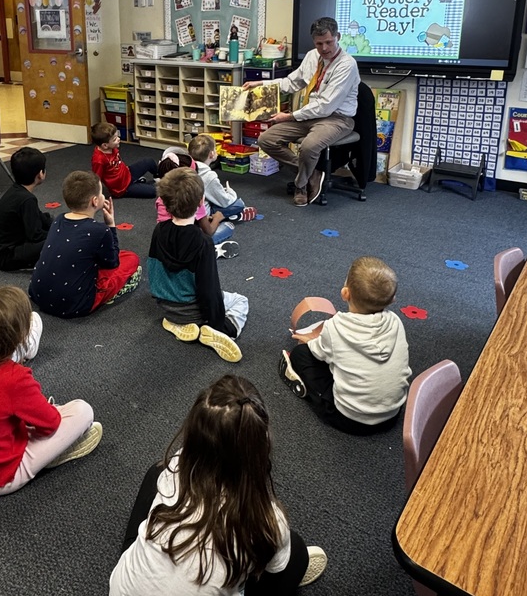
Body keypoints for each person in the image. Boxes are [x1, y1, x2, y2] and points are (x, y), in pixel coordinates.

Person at [108, 375, 327, 596]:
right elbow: (275, 570)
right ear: (259, 449)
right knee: (296, 556)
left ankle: (148, 573)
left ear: (195, 434)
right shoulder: (266, 519)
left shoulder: (176, 465)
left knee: (154, 479)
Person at [0, 286, 101, 495]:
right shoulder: (14, 378)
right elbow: (50, 424)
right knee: (83, 411)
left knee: (28, 414)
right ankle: (51, 455)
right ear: (20, 338)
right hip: (2, 478)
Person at [279, 256, 411, 434]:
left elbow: (317, 353)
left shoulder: (336, 326)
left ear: (345, 293)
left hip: (350, 419)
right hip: (393, 414)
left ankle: (308, 390)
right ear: (392, 299)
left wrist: (310, 341)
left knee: (300, 354)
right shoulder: (395, 322)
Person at [247, 17, 359, 207]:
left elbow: (325, 106)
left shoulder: (347, 64)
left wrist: (289, 116)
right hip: (309, 114)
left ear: (338, 37)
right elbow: (292, 82)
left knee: (308, 146)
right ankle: (311, 172)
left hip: (336, 119)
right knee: (266, 140)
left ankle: (301, 184)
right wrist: (262, 84)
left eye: (329, 42)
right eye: (319, 44)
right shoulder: (311, 56)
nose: (324, 48)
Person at [147, 167, 248, 362]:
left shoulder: (159, 230)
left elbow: (154, 269)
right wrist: (218, 323)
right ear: (201, 202)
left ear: (164, 203)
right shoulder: (203, 243)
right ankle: (224, 329)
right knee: (240, 301)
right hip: (194, 310)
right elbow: (208, 289)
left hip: (166, 305)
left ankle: (177, 324)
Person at [29, 170, 141, 318]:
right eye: (101, 193)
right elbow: (112, 263)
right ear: (95, 201)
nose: (103, 196)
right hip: (75, 304)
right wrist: (111, 225)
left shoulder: (59, 220)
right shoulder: (100, 231)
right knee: (131, 259)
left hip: (37, 294)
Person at [155, 149, 238, 253]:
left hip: (165, 247)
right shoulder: (194, 197)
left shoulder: (162, 198)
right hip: (190, 243)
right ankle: (207, 251)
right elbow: (208, 231)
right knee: (227, 227)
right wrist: (217, 218)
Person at [0, 147, 54, 271]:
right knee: (55, 242)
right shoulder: (27, 200)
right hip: (5, 257)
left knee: (49, 221)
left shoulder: (18, 191)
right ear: (40, 174)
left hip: (1, 250)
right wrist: (58, 233)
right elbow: (36, 236)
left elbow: (39, 217)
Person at [187, 134, 257, 223]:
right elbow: (225, 201)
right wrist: (230, 192)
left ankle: (231, 216)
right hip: (200, 216)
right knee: (238, 204)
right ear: (212, 154)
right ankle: (233, 216)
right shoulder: (208, 175)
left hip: (181, 212)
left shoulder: (183, 167)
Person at [91, 122, 158, 199]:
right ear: (105, 145)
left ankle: (158, 177)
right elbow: (96, 178)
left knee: (149, 161)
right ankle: (135, 183)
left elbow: (118, 162)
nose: (118, 139)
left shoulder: (112, 147)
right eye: (115, 139)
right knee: (153, 191)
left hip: (127, 173)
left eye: (117, 136)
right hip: (122, 188)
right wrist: (97, 196)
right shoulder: (98, 160)